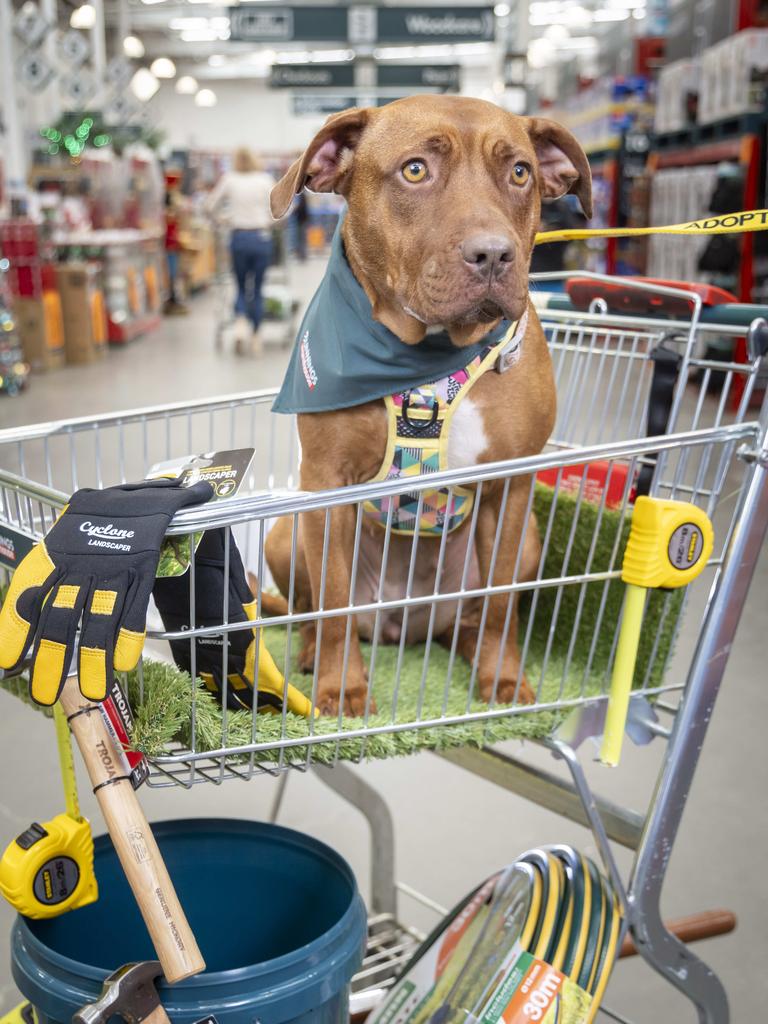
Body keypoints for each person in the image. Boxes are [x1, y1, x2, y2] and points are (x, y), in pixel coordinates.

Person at [206, 148, 275, 355]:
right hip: (261, 238)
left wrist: (223, 219)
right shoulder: (265, 180)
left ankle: (239, 324)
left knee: (241, 285)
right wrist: (270, 221)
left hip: (238, 238)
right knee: (259, 288)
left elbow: (210, 206)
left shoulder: (229, 179)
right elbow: (284, 207)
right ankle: (256, 335)